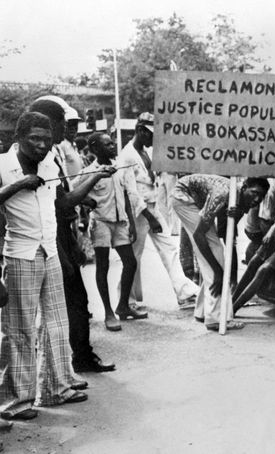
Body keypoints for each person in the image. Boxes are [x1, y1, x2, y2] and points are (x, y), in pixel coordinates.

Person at [0, 112, 88, 422]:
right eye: (33, 139)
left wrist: (94, 176)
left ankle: (55, 388)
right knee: (19, 331)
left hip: (49, 251)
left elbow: (62, 206)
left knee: (56, 324)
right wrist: (18, 185)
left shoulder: (51, 162)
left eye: (46, 139)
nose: (40, 145)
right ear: (19, 138)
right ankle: (15, 402)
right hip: (19, 253)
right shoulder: (2, 165)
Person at [30, 98, 116, 373]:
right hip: (48, 236)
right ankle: (67, 365)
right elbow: (64, 202)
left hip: (62, 232)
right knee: (67, 304)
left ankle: (77, 358)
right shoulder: (40, 157)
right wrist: (96, 177)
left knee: (76, 301)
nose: (66, 130)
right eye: (63, 124)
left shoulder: (53, 152)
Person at [119, 113, 199, 311]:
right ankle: (126, 300)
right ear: (140, 131)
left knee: (168, 249)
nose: (153, 138)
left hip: (153, 207)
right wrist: (148, 217)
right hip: (139, 213)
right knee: (133, 258)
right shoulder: (127, 155)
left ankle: (184, 292)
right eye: (150, 134)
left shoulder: (145, 151)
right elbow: (132, 193)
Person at [171, 175, 269, 331]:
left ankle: (203, 310)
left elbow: (226, 232)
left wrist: (233, 215)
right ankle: (216, 318)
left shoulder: (242, 199)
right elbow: (198, 235)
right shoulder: (223, 194)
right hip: (183, 197)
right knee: (215, 253)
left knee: (216, 250)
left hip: (190, 197)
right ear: (244, 187)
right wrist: (218, 271)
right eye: (254, 192)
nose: (257, 199)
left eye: (261, 196)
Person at [82, 132, 153, 331]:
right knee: (102, 267)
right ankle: (108, 312)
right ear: (95, 148)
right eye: (107, 145)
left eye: (112, 144)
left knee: (130, 262)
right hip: (101, 223)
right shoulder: (88, 171)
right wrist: (90, 204)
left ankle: (123, 306)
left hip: (121, 222)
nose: (112, 147)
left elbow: (126, 196)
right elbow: (77, 194)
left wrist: (131, 222)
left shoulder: (119, 168)